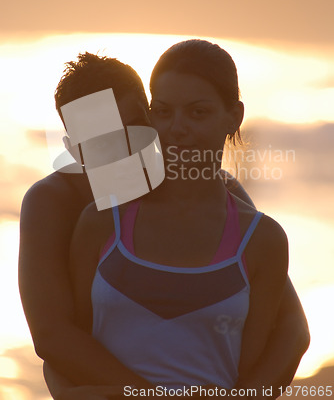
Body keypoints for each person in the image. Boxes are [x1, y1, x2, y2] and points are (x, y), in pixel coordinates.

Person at [19, 52, 267, 400]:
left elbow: (293, 329)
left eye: (132, 128)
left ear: (153, 117)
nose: (124, 153)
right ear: (75, 151)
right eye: (102, 143)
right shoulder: (55, 202)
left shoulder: (212, 189)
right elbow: (52, 337)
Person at [68, 41, 309, 398]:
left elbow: (250, 372)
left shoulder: (263, 240)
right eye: (163, 111)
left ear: (234, 117)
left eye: (197, 112)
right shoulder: (101, 222)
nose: (176, 128)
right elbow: (70, 349)